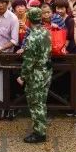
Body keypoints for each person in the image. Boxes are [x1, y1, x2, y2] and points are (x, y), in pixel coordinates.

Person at [18, 7, 52, 143]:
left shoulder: (32, 38)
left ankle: (39, 133)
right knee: (42, 101)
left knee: (36, 103)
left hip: (36, 74)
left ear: (29, 19)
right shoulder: (46, 32)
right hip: (46, 71)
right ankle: (41, 127)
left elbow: (29, 62)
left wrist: (22, 77)